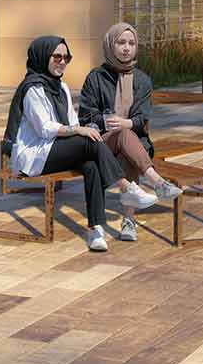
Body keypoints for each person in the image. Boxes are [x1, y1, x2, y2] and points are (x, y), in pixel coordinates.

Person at [5, 35, 135, 252]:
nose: (62, 62)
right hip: (35, 156)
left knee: (91, 164)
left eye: (66, 57)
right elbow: (45, 129)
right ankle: (125, 187)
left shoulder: (62, 87)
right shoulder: (32, 89)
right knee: (89, 145)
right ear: (42, 57)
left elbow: (73, 122)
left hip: (58, 151)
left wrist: (89, 130)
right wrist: (80, 131)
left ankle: (95, 228)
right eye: (57, 57)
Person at [75, 20, 183, 241]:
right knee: (126, 137)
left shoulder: (142, 80)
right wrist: (110, 122)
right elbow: (85, 115)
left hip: (131, 140)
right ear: (110, 45)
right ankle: (157, 184)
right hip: (100, 142)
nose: (126, 48)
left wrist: (127, 124)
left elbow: (142, 116)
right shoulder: (96, 77)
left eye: (131, 43)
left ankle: (129, 219)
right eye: (121, 42)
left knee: (129, 142)